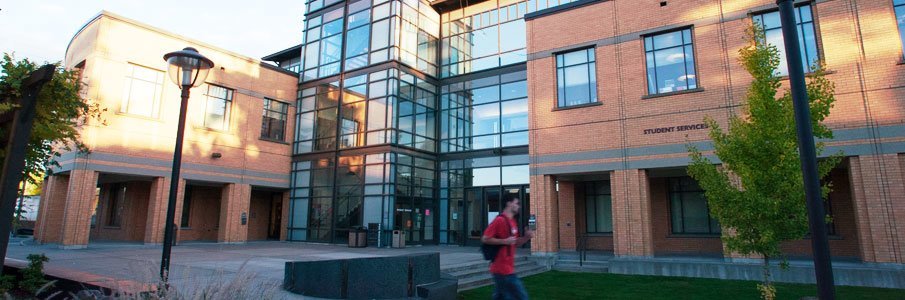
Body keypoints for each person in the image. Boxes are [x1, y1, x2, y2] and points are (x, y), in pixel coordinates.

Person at [481, 197, 535, 300]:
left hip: (508, 267)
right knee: (522, 296)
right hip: (501, 269)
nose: (518, 206)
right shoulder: (499, 220)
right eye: (516, 203)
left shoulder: (513, 222)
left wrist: (526, 237)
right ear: (509, 203)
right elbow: (485, 238)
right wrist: (504, 241)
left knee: (501, 296)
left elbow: (515, 243)